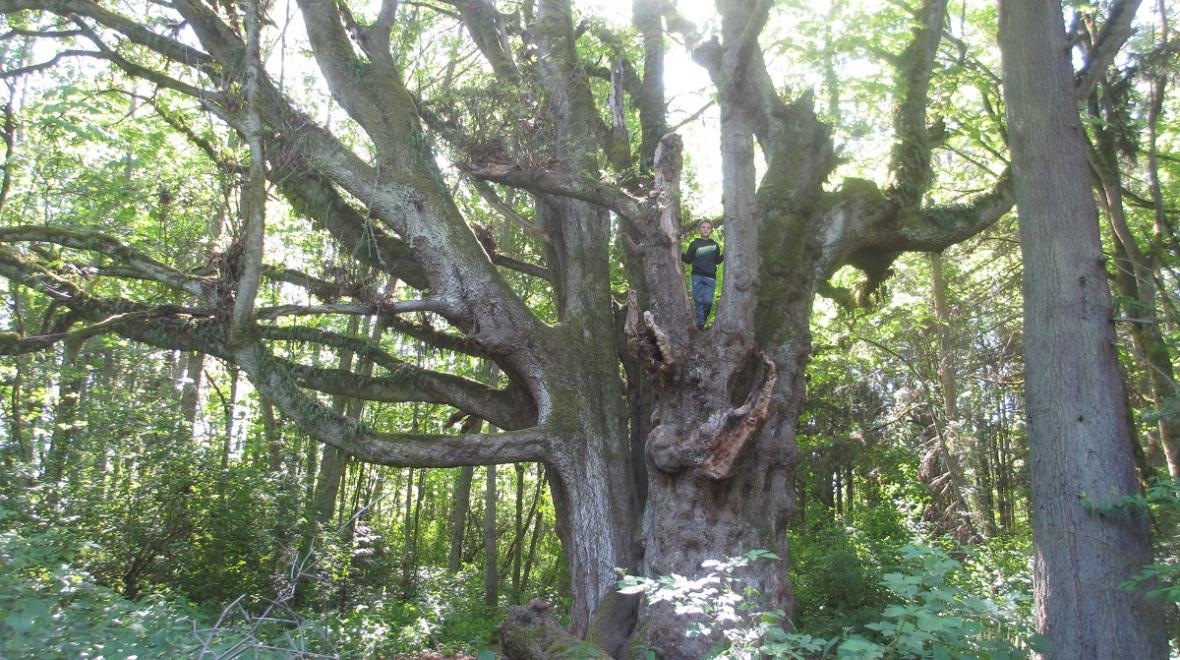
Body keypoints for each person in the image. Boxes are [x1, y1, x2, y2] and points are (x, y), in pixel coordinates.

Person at [682, 220, 723, 329]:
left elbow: (717, 260)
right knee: (698, 301)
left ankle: (702, 319)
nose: (705, 229)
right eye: (703, 227)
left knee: (708, 302)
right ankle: (700, 325)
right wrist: (679, 253)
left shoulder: (715, 245)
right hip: (697, 276)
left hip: (710, 277)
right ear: (699, 229)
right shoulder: (694, 244)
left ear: (711, 230)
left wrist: (724, 255)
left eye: (708, 227)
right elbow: (688, 259)